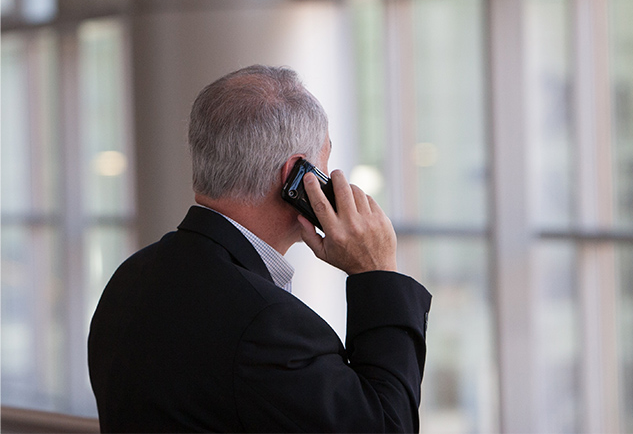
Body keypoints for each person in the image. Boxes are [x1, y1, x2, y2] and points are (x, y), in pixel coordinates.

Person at [88, 65, 432, 433]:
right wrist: (376, 275)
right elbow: (386, 425)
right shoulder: (266, 325)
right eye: (325, 161)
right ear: (296, 178)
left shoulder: (131, 276)